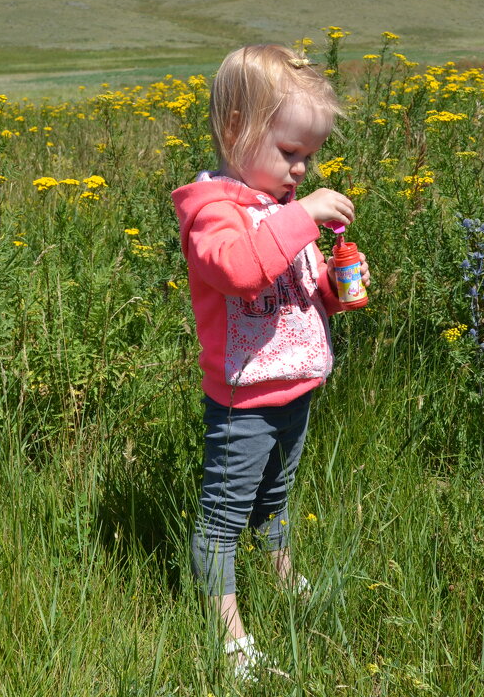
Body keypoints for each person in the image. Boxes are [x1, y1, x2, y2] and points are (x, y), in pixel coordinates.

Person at [170, 44, 370, 681]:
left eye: (309, 156)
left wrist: (333, 290)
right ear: (237, 132)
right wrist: (300, 219)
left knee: (275, 498)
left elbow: (288, 293)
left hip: (295, 387)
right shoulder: (213, 213)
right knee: (225, 517)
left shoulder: (276, 211)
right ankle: (228, 635)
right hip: (243, 400)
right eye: (290, 153)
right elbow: (237, 269)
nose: (302, 169)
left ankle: (283, 578)